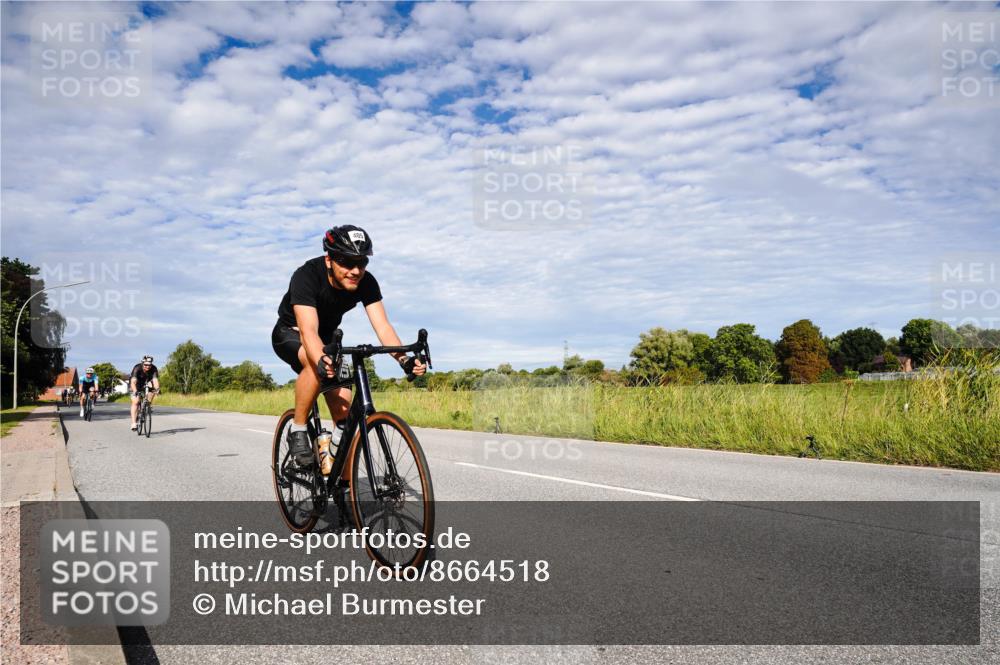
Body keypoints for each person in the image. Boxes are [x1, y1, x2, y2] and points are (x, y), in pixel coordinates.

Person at [272, 225, 426, 466]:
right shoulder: (306, 276)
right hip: (292, 334)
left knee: (345, 420)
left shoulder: (366, 282)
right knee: (315, 363)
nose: (355, 270)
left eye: (362, 262)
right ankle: (298, 429)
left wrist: (403, 359)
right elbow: (309, 331)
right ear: (329, 259)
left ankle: (342, 487)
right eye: (346, 262)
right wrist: (321, 359)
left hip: (328, 341)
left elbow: (383, 327)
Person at [129, 355, 160, 430]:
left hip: (146, 383)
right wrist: (135, 391)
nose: (148, 367)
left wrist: (157, 389)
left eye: (149, 365)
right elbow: (133, 382)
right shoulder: (137, 368)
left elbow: (155, 381)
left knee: (153, 390)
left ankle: (147, 406)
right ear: (142, 363)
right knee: (136, 402)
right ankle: (133, 423)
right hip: (136, 384)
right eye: (146, 365)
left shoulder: (154, 368)